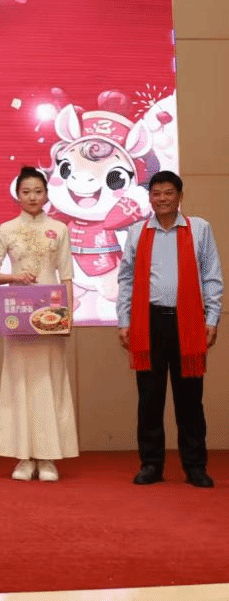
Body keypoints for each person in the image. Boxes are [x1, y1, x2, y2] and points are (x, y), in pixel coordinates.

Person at [117, 170, 223, 487]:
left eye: (168, 193)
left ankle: (195, 466)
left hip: (188, 322)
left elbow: (212, 276)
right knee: (149, 399)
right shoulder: (137, 232)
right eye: (156, 193)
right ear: (150, 198)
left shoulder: (199, 228)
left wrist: (212, 318)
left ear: (180, 197)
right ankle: (151, 464)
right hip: (148, 321)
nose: (162, 199)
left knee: (190, 400)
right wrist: (124, 320)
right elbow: (126, 280)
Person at [0, 166, 78, 482]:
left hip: (51, 320)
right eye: (26, 192)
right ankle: (23, 457)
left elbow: (66, 276)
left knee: (50, 383)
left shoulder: (59, 229)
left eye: (38, 191)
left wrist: (67, 318)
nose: (33, 197)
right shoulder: (7, 229)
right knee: (19, 384)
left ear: (46, 194)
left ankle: (48, 457)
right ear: (17, 195)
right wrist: (14, 277)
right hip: (20, 319)